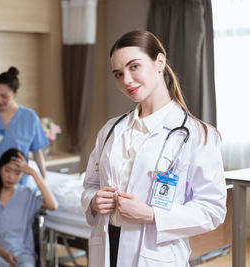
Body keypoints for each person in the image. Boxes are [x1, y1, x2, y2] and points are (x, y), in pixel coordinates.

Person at [81, 30, 227, 267]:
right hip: (107, 247)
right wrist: (94, 201)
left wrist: (151, 214)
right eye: (118, 74)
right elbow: (90, 185)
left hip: (156, 255)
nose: (126, 80)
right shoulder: (110, 130)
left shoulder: (198, 135)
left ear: (160, 62)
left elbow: (212, 210)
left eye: (134, 67)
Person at [0, 148, 58, 267]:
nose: (11, 177)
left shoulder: (28, 194)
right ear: (0, 169)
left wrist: (34, 173)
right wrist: (4, 254)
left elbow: (53, 205)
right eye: (7, 170)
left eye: (17, 172)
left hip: (22, 254)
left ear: (23, 174)